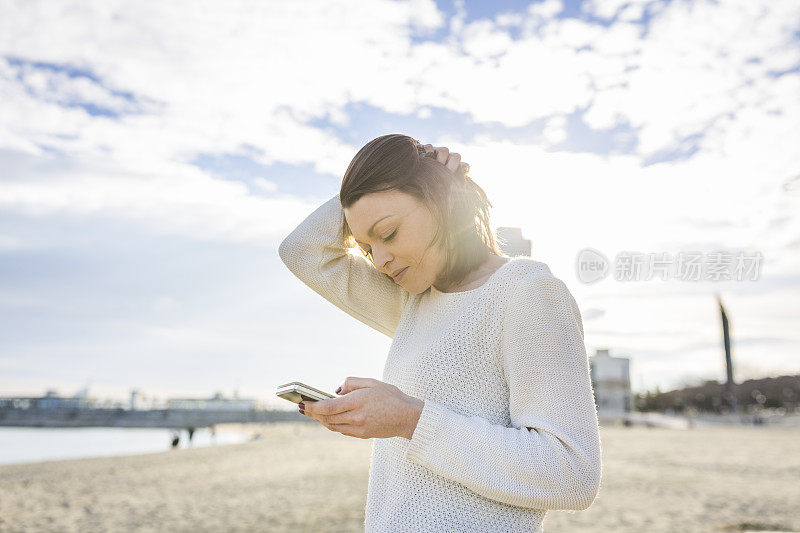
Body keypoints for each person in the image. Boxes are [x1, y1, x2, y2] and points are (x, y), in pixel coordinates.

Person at [278, 134, 602, 532]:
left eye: (389, 233)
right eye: (365, 246)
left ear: (443, 200)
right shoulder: (413, 300)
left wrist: (408, 419)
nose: (379, 260)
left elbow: (571, 472)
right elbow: (302, 249)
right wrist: (379, 181)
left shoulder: (527, 292)